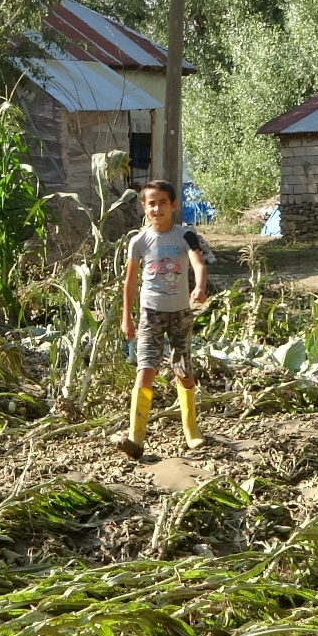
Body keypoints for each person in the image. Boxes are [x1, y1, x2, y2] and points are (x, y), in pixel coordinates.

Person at [115, 180, 209, 458]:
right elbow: (130, 283)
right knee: (145, 369)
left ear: (173, 205)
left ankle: (191, 431)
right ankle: (136, 436)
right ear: (144, 207)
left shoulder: (185, 235)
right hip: (150, 314)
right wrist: (126, 318)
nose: (157, 208)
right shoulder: (139, 241)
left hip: (180, 313)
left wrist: (200, 286)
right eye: (151, 203)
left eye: (163, 203)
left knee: (183, 370)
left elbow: (198, 264)